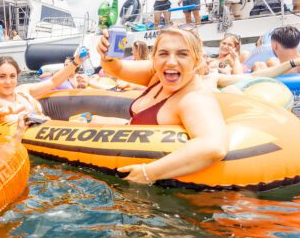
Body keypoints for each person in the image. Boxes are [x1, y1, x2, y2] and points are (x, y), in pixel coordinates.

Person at [94, 27, 228, 184]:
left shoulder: (194, 98)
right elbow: (116, 68)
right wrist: (107, 56)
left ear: (196, 60)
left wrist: (148, 173)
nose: (171, 62)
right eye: (163, 53)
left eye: (182, 54)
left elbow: (213, 146)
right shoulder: (156, 74)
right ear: (154, 58)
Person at [0, 51, 83, 123]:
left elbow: (53, 82)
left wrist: (75, 62)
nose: (8, 82)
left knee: (95, 120)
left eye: (12, 76)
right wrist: (9, 110)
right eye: (2, 77)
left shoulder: (22, 90)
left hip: (49, 126)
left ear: (17, 77)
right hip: (32, 142)